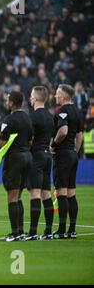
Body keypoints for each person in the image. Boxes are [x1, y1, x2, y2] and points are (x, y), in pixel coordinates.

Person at [0, 91, 33, 241]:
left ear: (11, 103)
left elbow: (3, 142)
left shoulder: (9, 119)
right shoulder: (27, 117)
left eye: (7, 100)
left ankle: (14, 234)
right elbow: (31, 140)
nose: (6, 102)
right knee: (18, 196)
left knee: (12, 196)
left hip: (15, 158)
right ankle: (21, 231)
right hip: (27, 157)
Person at [50, 84, 83, 239]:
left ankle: (62, 230)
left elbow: (63, 131)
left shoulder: (62, 111)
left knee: (62, 192)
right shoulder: (77, 111)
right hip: (72, 155)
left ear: (63, 96)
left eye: (57, 93)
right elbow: (79, 136)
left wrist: (54, 145)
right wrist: (74, 152)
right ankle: (72, 229)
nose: (55, 96)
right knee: (72, 193)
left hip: (63, 155)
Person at [25, 86, 55, 240]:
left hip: (36, 156)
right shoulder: (51, 117)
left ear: (35, 98)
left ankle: (32, 232)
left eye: (31, 95)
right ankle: (48, 231)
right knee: (46, 194)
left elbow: (29, 139)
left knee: (35, 193)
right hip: (47, 156)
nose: (30, 98)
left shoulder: (33, 117)